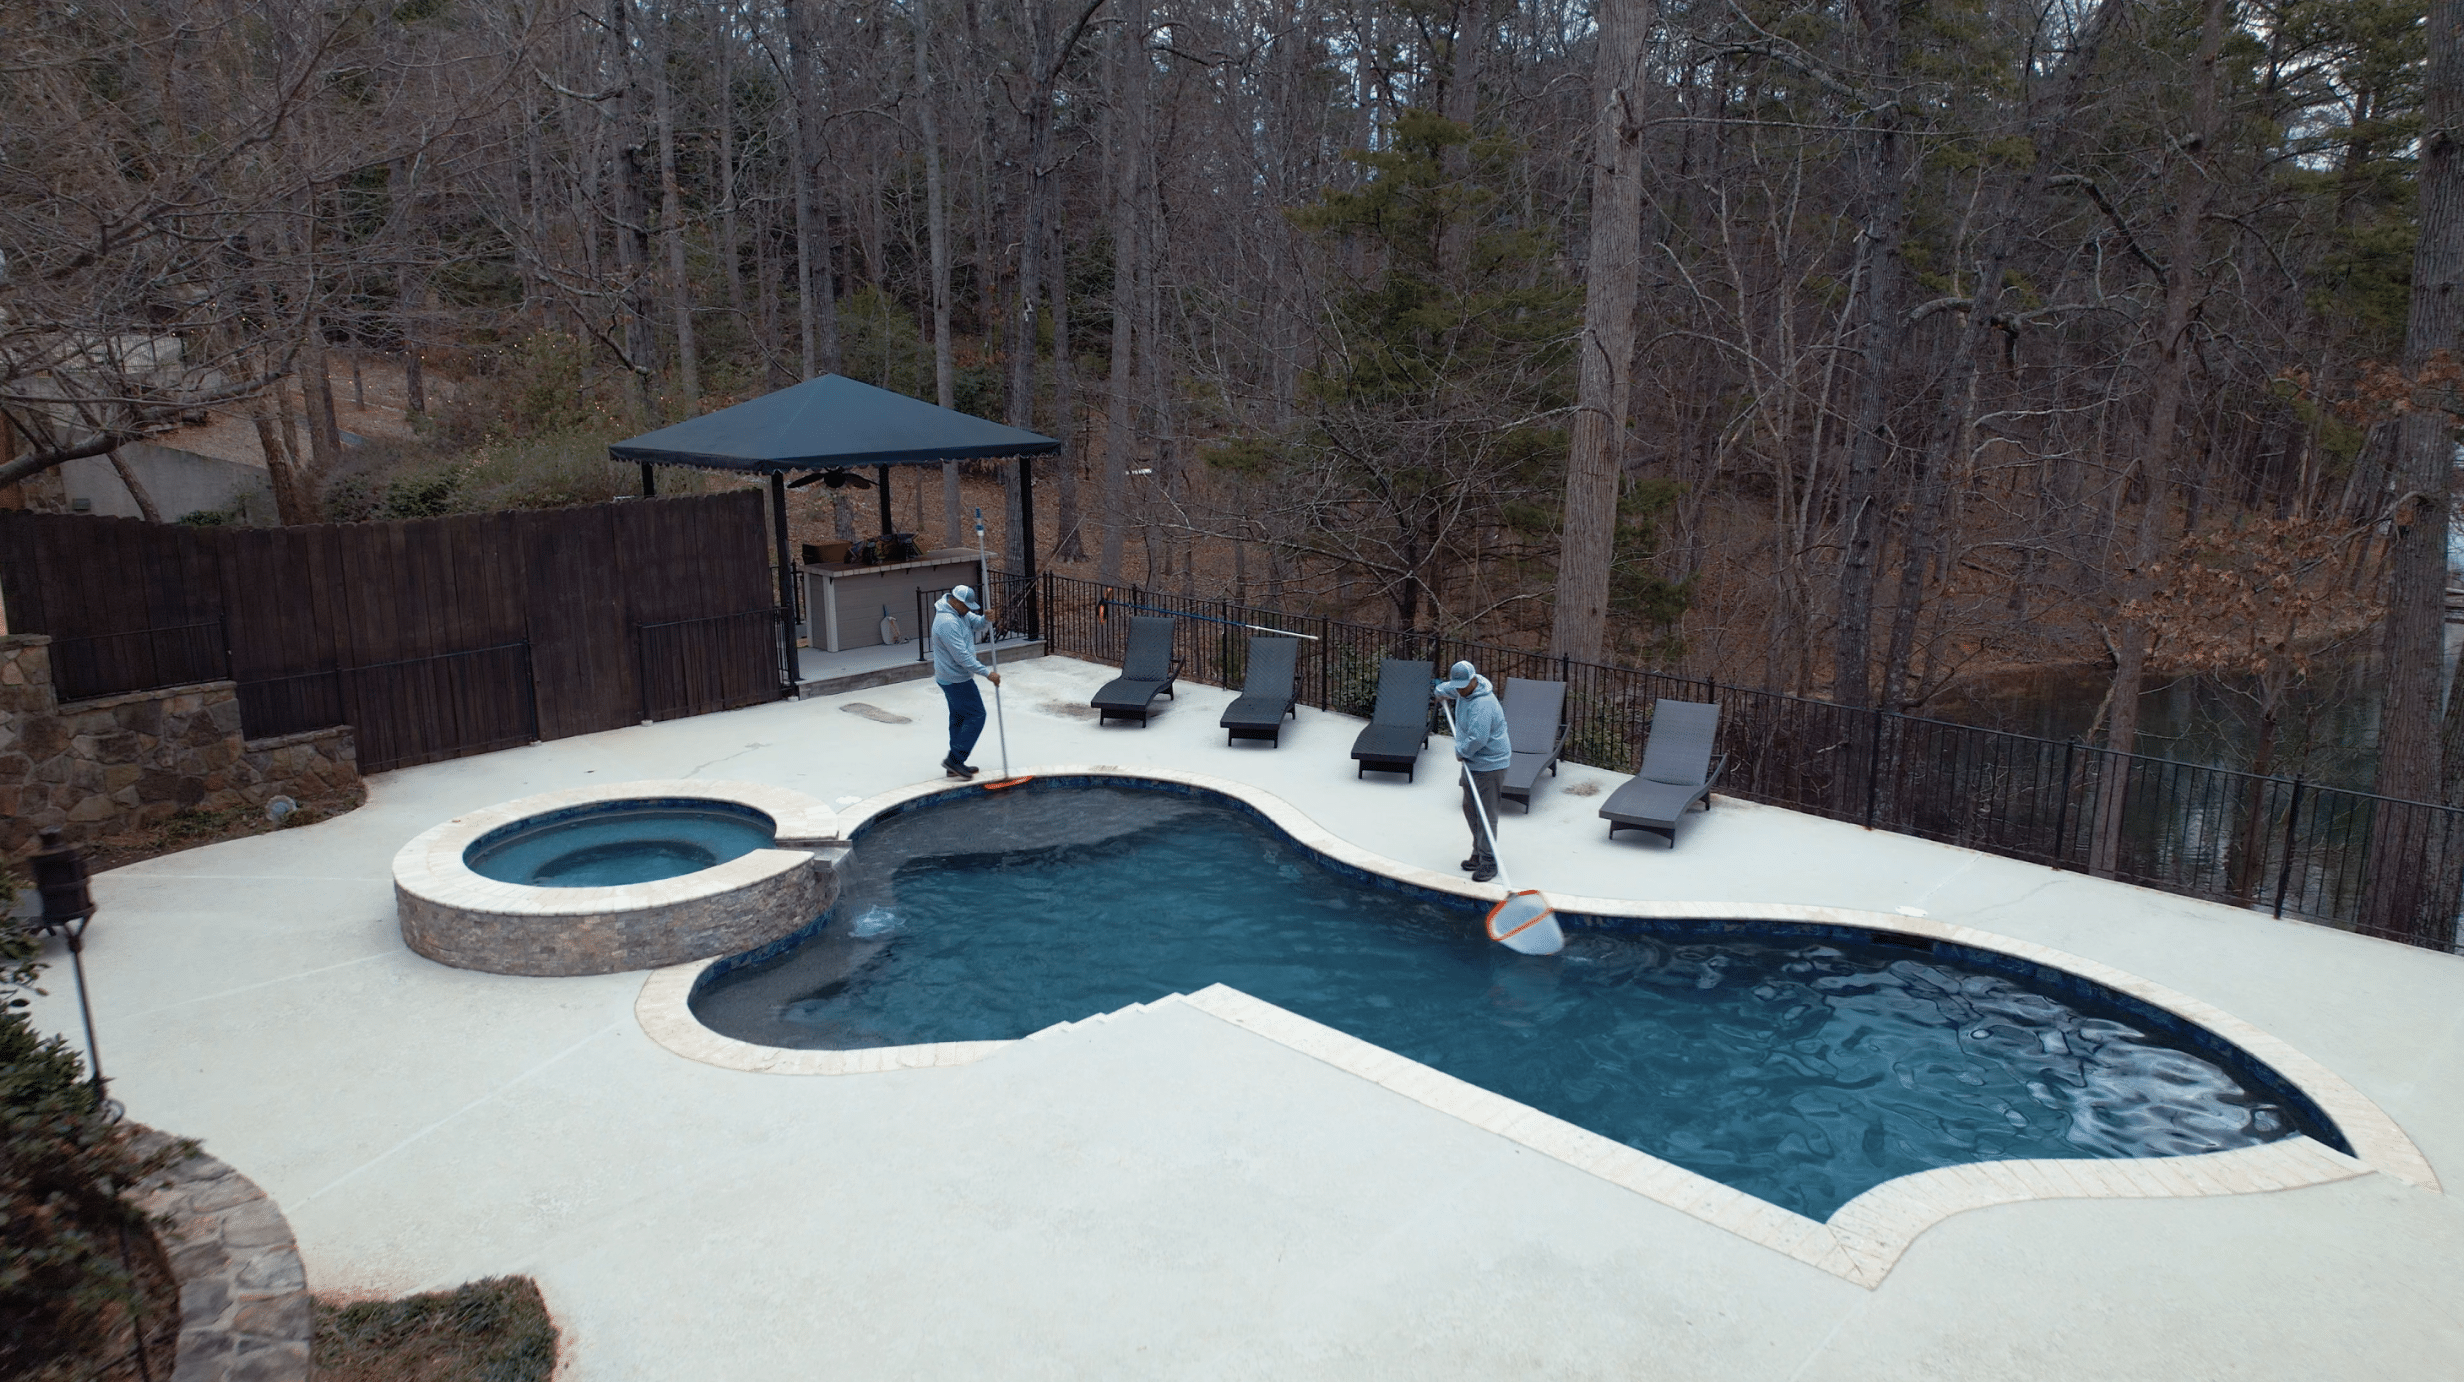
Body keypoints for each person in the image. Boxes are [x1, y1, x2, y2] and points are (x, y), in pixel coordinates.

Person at [1434, 660, 1511, 882]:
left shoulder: (1483, 704)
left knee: (1486, 814)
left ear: (1474, 680)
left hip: (1490, 762)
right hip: (1472, 761)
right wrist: (1440, 691)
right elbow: (1445, 688)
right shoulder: (1461, 690)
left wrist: (1461, 751)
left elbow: (1478, 738)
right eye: (1456, 686)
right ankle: (1478, 852)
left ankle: (1489, 861)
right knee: (1470, 807)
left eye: (1463, 686)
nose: (1459, 690)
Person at [930, 585, 1001, 779]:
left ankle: (955, 763)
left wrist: (986, 619)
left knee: (959, 718)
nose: (969, 610)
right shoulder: (947, 622)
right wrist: (987, 673)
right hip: (955, 678)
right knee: (977, 715)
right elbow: (961, 656)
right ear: (956, 601)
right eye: (966, 606)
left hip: (952, 677)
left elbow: (976, 624)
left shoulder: (959, 614)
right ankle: (955, 759)